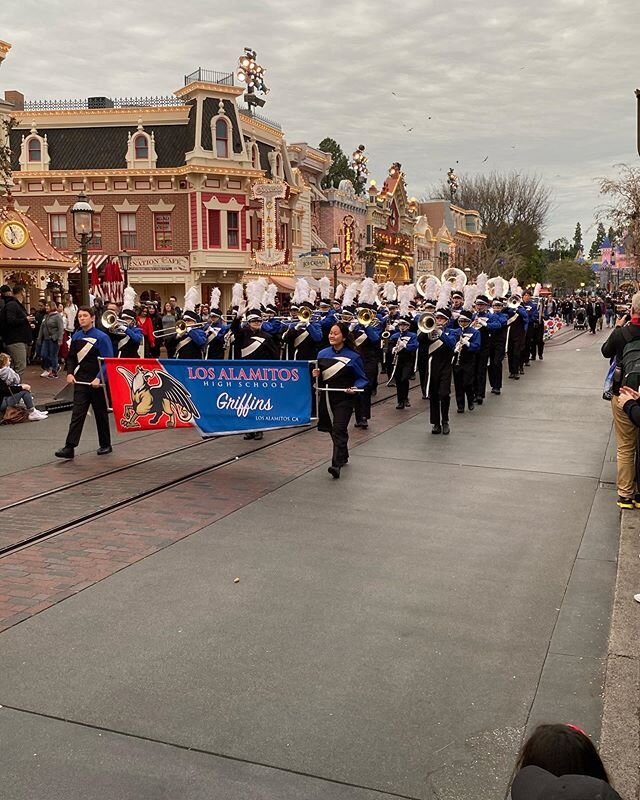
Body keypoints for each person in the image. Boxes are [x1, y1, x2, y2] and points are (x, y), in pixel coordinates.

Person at [54, 306, 114, 459]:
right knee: (77, 414)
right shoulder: (76, 336)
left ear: (92, 318)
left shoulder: (102, 337)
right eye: (80, 316)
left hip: (97, 382)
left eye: (85, 316)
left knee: (100, 414)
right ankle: (70, 447)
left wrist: (99, 378)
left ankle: (105, 444)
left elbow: (108, 361)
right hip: (81, 381)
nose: (81, 318)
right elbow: (72, 357)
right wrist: (69, 373)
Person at [313, 322, 368, 479]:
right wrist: (316, 374)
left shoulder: (353, 356)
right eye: (330, 333)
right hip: (327, 397)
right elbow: (320, 380)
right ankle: (343, 455)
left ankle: (335, 465)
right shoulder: (322, 354)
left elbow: (362, 379)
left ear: (343, 337)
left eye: (336, 333)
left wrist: (355, 388)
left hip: (344, 398)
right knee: (333, 429)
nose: (331, 335)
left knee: (338, 428)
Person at [601, 292, 640, 508]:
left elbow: (606, 352)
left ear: (632, 310)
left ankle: (626, 495)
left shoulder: (622, 333)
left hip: (624, 392)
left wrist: (617, 328)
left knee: (626, 445)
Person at [230, 307, 279, 441]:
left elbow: (274, 356)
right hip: (244, 373)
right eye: (254, 321)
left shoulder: (267, 337)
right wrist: (238, 317)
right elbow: (234, 329)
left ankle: (259, 429)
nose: (257, 323)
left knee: (258, 402)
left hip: (260, 374)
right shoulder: (243, 334)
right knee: (245, 401)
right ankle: (248, 429)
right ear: (249, 322)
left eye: (258, 321)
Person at [427, 308, 460, 435]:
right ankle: (436, 423)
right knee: (434, 394)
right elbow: (420, 340)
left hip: (446, 366)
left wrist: (440, 332)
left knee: (444, 393)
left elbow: (451, 343)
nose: (439, 321)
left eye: (442, 319)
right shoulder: (429, 331)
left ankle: (445, 420)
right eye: (438, 318)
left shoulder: (453, 331)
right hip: (432, 365)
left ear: (447, 321)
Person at [0, 352, 48, 421]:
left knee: (24, 389)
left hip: (3, 398)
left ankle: (33, 410)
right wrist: (21, 387)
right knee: (25, 391)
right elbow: (6, 390)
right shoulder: (6, 371)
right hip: (2, 402)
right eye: (8, 360)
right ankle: (32, 412)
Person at [0, 285, 35, 378]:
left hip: (19, 339)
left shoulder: (16, 305)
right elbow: (10, 321)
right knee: (20, 366)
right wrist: (25, 320)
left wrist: (28, 324)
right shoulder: (12, 305)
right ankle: (15, 388)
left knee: (17, 366)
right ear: (21, 292)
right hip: (15, 340)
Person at [452, 309, 481, 413]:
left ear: (469, 321)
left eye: (465, 321)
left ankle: (470, 400)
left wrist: (467, 344)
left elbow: (477, 347)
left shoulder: (475, 332)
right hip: (457, 361)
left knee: (467, 383)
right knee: (458, 383)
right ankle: (460, 405)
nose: (463, 323)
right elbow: (450, 343)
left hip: (469, 361)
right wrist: (455, 348)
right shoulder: (455, 332)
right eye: (461, 321)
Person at [387, 315, 418, 410]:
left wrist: (404, 345)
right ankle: (400, 401)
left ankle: (405, 398)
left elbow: (415, 346)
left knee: (404, 379)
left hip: (407, 360)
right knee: (399, 381)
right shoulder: (395, 336)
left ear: (408, 326)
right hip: (397, 361)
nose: (402, 327)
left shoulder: (412, 335)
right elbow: (388, 347)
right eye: (400, 325)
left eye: (404, 325)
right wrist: (392, 349)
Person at [36, 300, 64, 377]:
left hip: (53, 338)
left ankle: (54, 371)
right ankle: (55, 366)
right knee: (43, 354)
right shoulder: (46, 316)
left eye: (48, 306)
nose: (46, 307)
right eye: (46, 306)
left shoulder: (57, 316)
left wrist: (60, 339)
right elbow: (42, 327)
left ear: (52, 306)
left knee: (53, 355)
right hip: (46, 338)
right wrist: (39, 337)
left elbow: (61, 328)